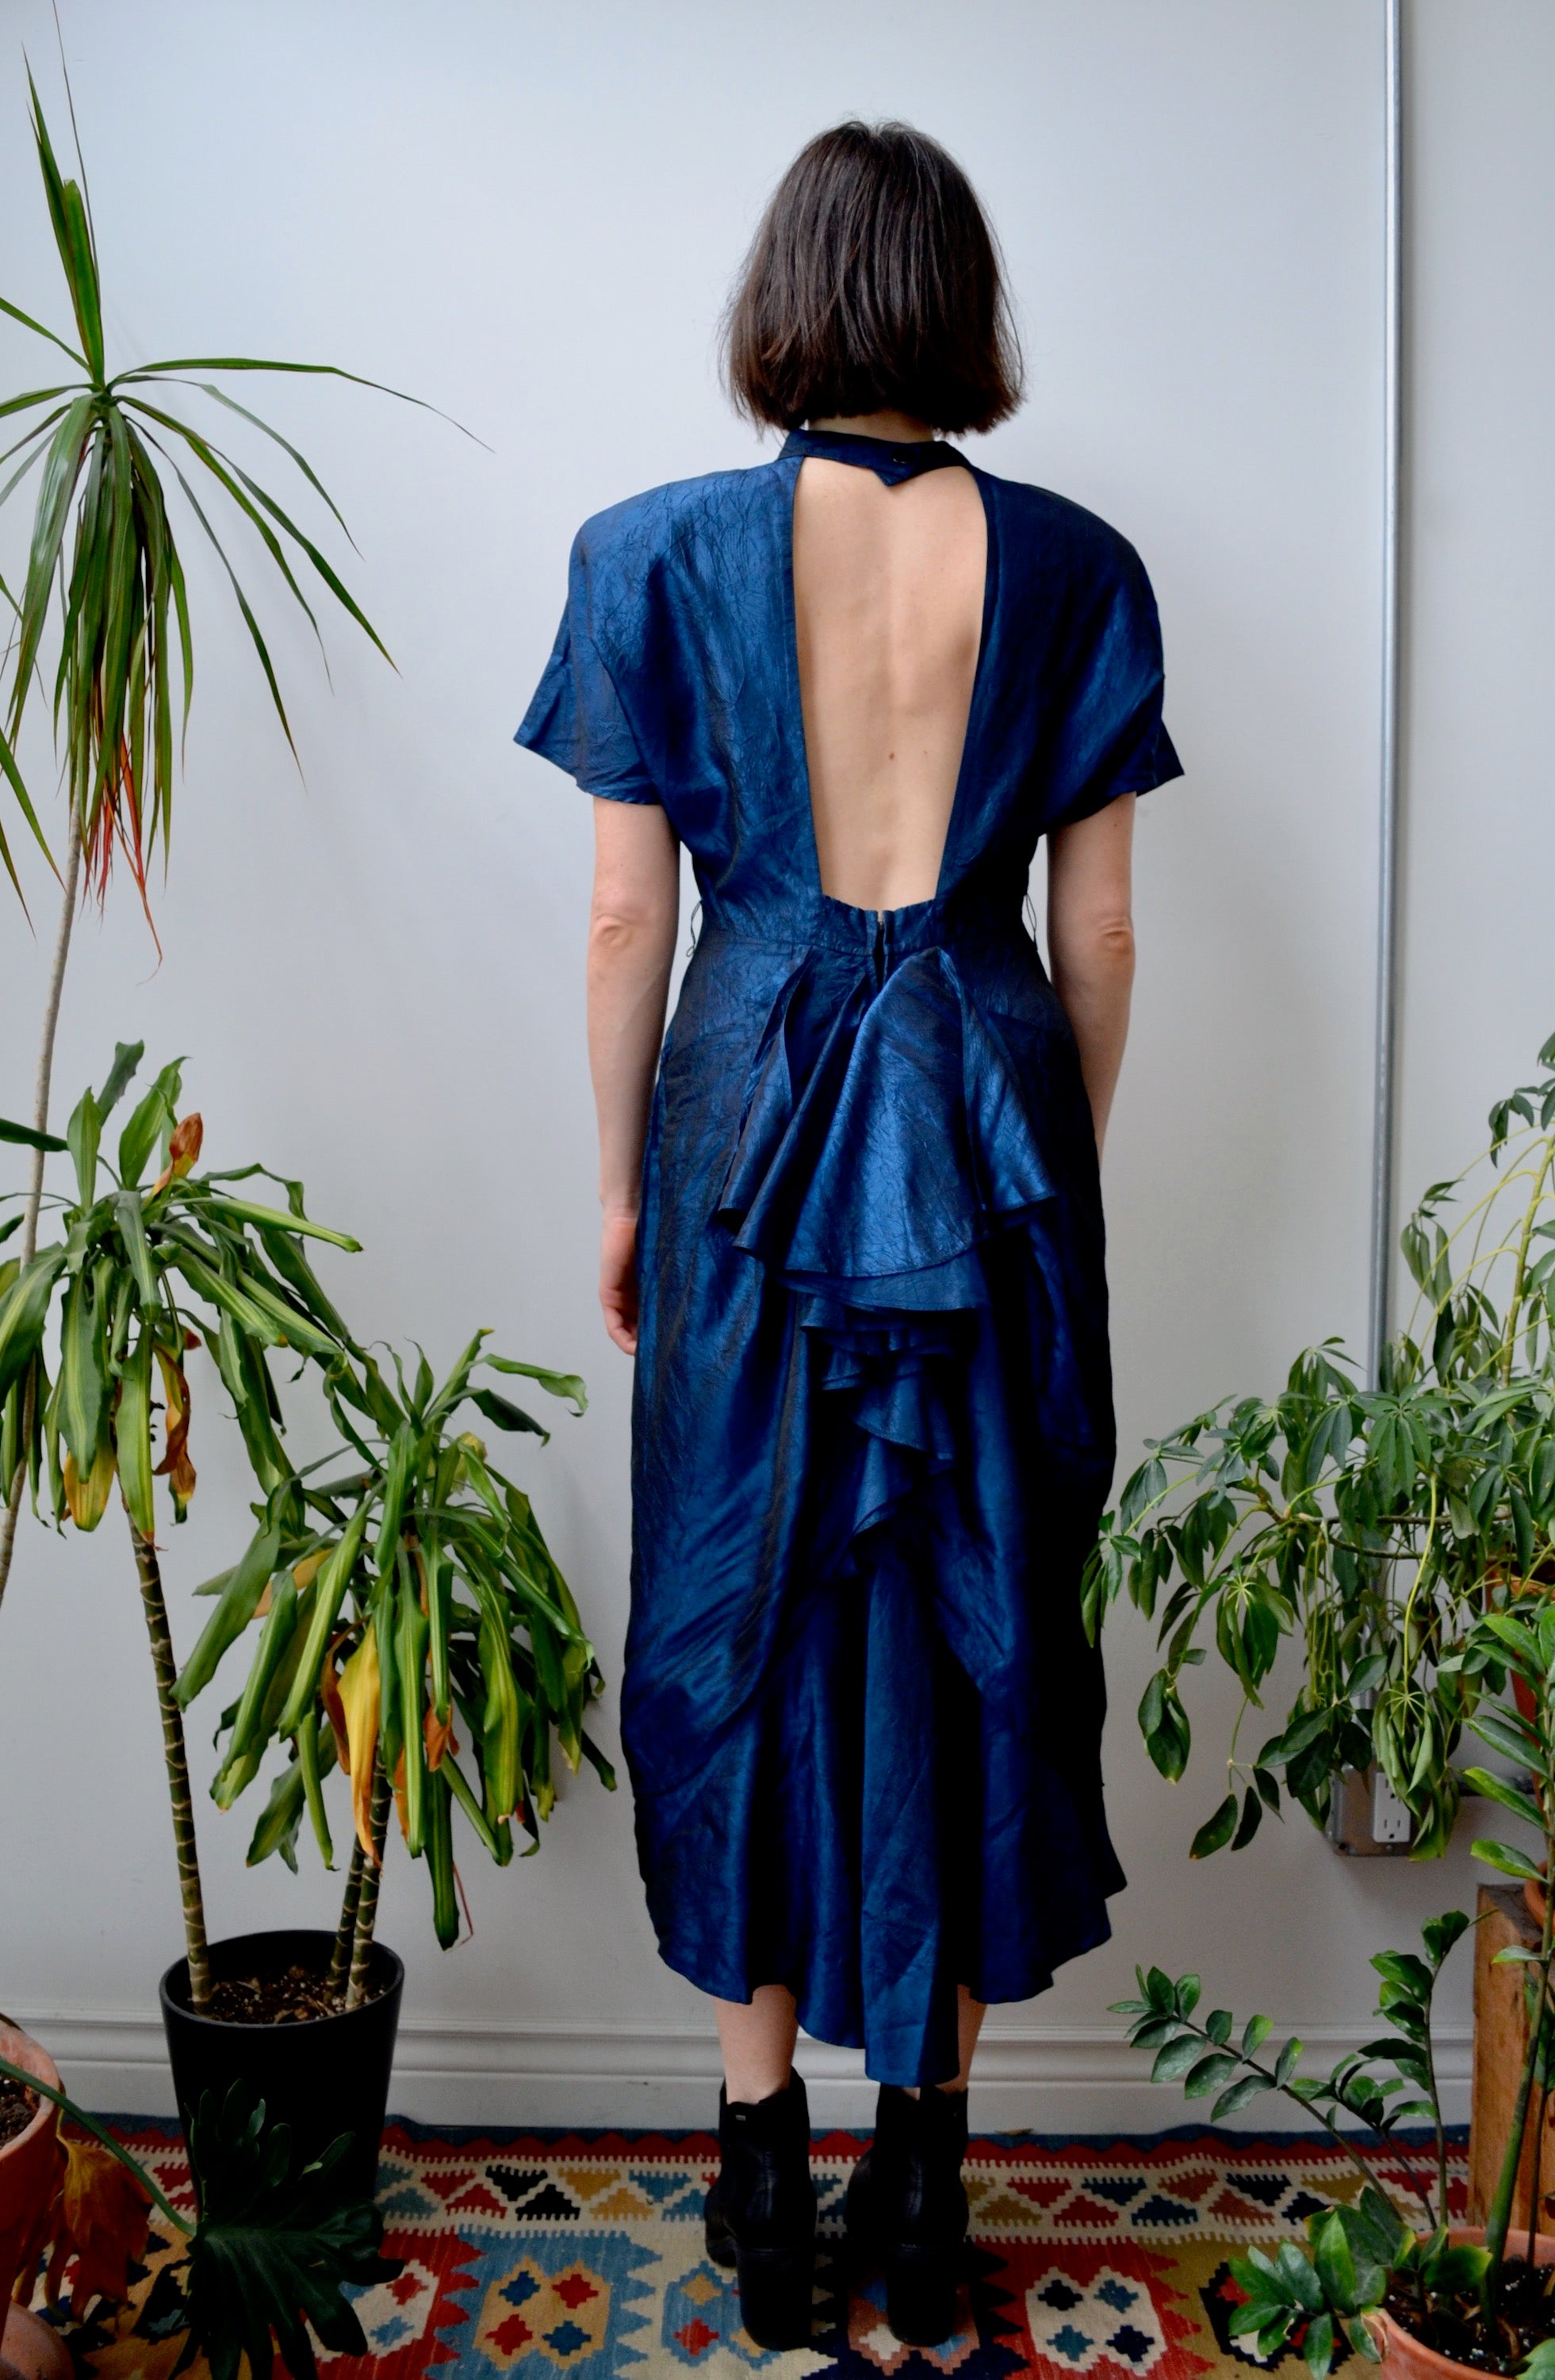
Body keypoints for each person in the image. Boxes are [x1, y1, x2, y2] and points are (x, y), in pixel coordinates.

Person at [516, 119, 1181, 2352]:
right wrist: (1044, 1177)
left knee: (740, 1615)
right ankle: (925, 2182)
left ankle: (756, 2167)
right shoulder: (1077, 571)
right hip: (990, 1145)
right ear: (962, 307)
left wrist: (623, 1186)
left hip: (745, 1141)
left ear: (783, 299)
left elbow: (628, 920)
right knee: (982, 1625)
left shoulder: (649, 555)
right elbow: (1100, 936)